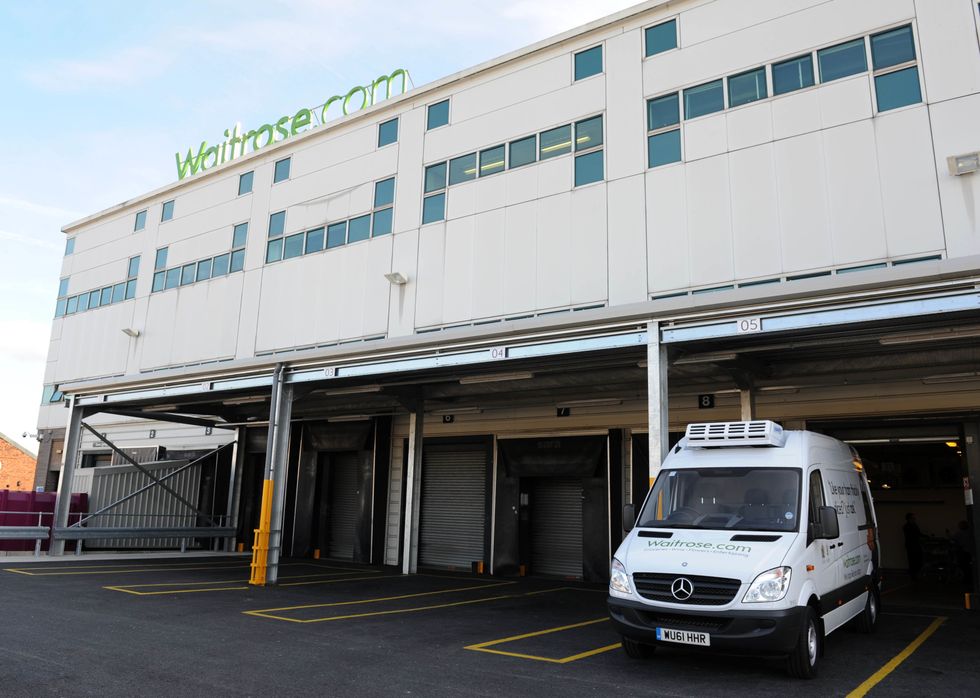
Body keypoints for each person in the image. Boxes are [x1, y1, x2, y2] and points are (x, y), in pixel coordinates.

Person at [952, 520, 975, 592]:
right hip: (969, 551)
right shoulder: (970, 532)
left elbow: (953, 540)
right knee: (967, 567)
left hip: (964, 552)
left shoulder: (959, 533)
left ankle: (967, 580)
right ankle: (969, 579)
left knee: (964, 566)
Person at [903, 512, 924, 581]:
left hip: (916, 545)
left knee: (918, 559)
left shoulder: (915, 525)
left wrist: (925, 536)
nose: (914, 519)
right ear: (909, 519)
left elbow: (918, 533)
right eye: (913, 518)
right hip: (911, 546)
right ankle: (913, 575)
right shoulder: (906, 527)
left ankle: (916, 573)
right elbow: (911, 536)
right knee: (912, 560)